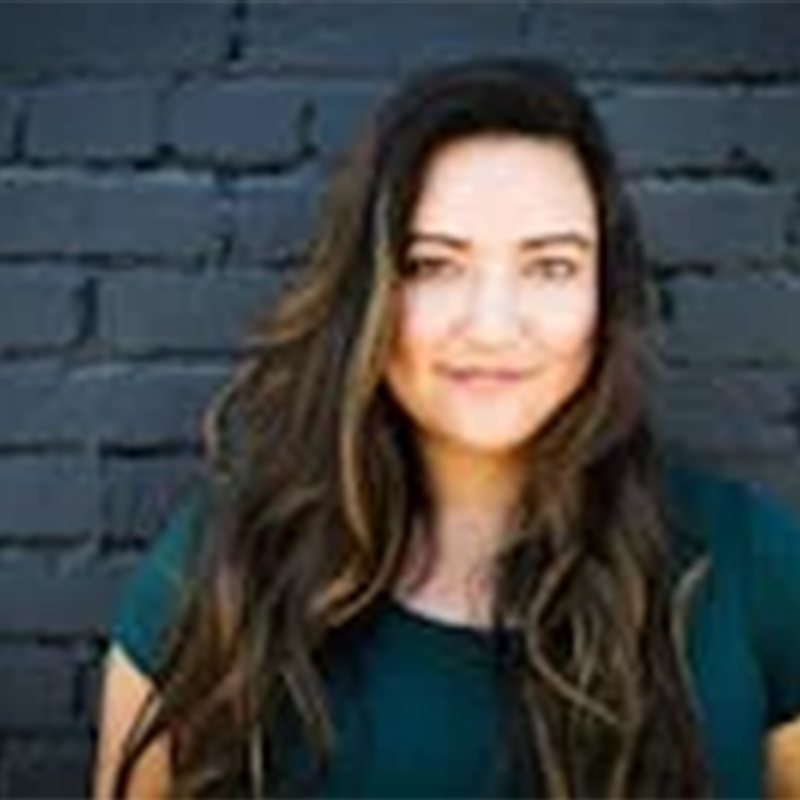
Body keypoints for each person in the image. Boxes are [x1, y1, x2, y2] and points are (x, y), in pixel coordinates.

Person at [93, 57, 800, 800]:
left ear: (605, 295)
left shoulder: (755, 567)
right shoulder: (219, 571)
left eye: (551, 267)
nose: (491, 327)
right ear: (368, 292)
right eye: (433, 265)